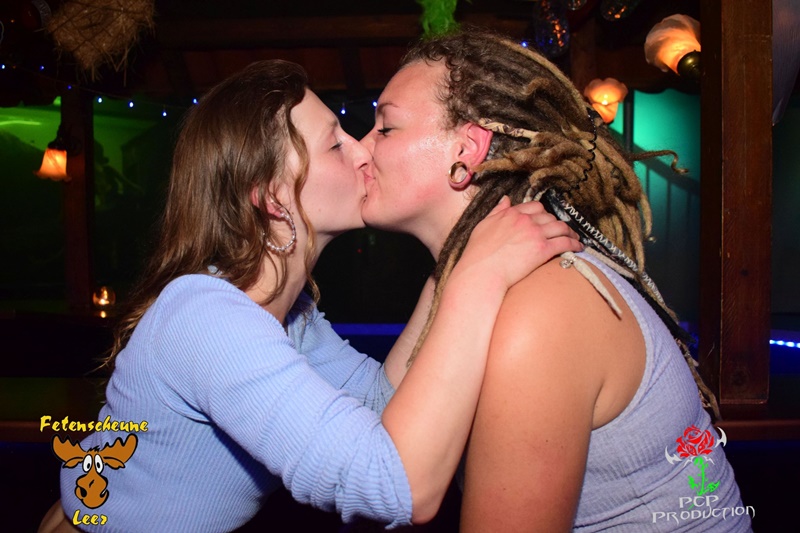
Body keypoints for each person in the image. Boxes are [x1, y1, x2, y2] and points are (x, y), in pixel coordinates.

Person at [37, 59, 581, 533]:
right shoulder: (205, 316)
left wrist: (452, 264)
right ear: (274, 198)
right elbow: (398, 487)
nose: (363, 150)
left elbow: (381, 405)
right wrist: (477, 279)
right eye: (335, 144)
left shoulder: (290, 319)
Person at [360, 29, 751, 532]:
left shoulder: (538, 311)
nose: (361, 148)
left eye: (385, 128)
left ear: (468, 148)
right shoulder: (471, 283)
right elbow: (380, 442)